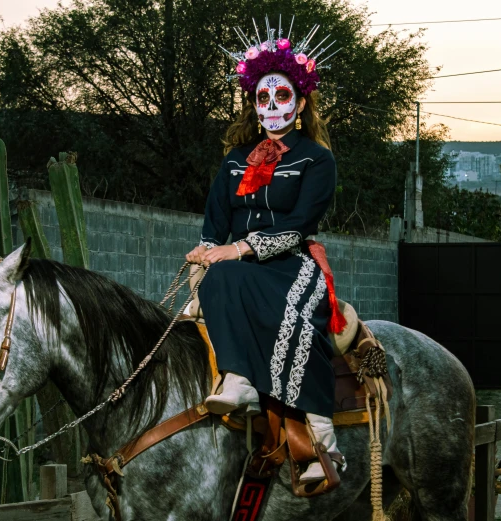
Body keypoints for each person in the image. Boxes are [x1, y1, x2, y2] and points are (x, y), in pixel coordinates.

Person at [185, 21, 346, 484]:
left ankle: (320, 434)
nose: (272, 106)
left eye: (281, 97)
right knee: (214, 282)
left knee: (286, 313)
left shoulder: (316, 158)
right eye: (263, 98)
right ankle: (236, 381)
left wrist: (238, 249)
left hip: (290, 264)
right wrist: (208, 249)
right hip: (233, 267)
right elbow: (216, 216)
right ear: (254, 106)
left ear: (299, 103)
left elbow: (299, 227)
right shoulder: (235, 159)